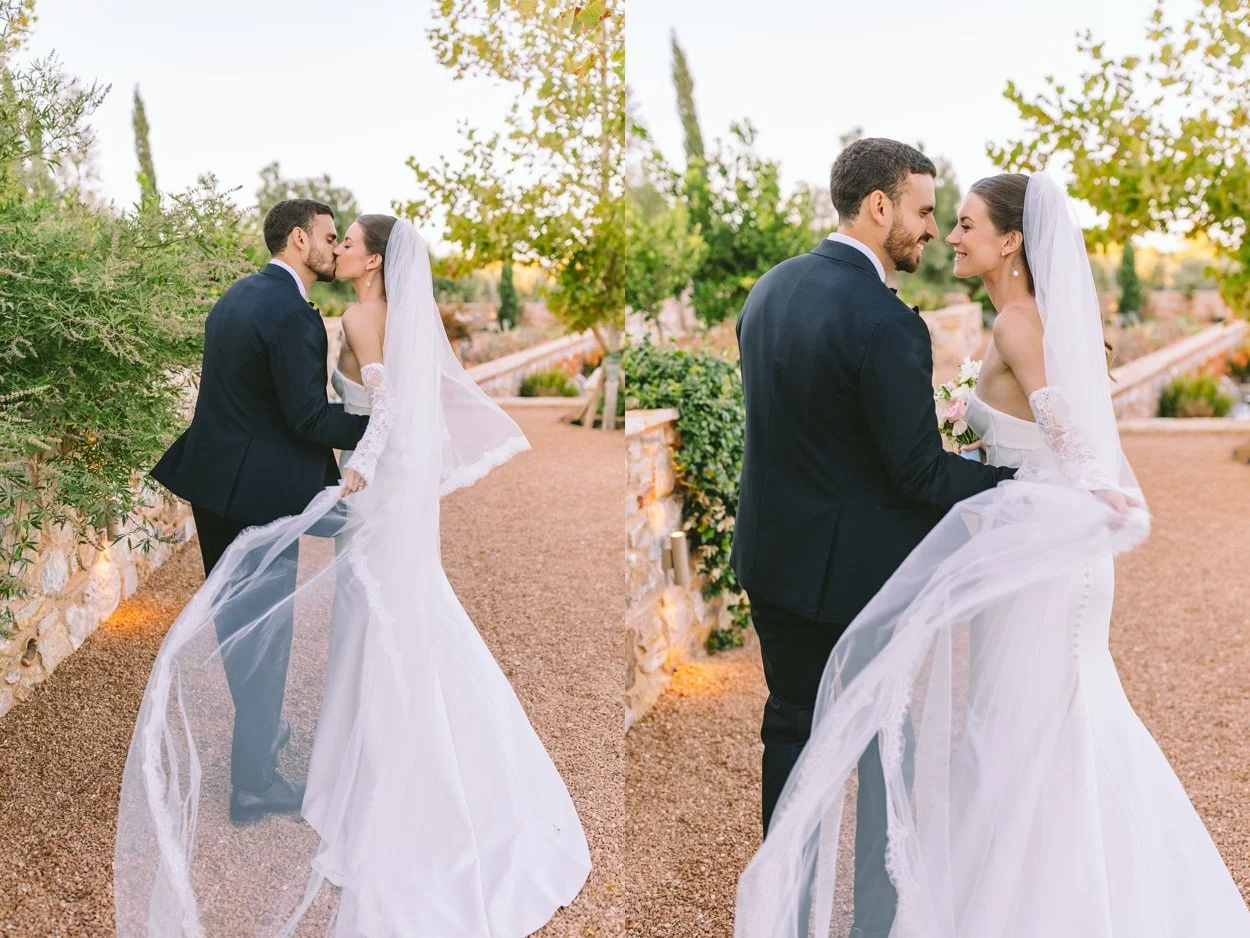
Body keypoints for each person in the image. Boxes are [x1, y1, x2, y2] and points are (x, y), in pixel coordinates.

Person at [734, 172, 1250, 938]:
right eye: (936, 214)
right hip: (1015, 541)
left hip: (993, 550)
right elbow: (959, 453)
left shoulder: (771, 290)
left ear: (1011, 239)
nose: (947, 234)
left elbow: (1060, 428)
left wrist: (1074, 491)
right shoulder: (968, 321)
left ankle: (998, 904)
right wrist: (1019, 480)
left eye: (966, 222)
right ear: (880, 205)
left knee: (1017, 718)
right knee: (1015, 721)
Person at [117, 217, 591, 937]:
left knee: (279, 616)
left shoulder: (247, 298)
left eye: (347, 239)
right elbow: (316, 416)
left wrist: (367, 460)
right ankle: (260, 772)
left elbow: (358, 410)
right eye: (329, 236)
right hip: (277, 481)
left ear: (371, 259)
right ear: (301, 238)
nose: (337, 246)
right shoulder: (322, 313)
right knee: (288, 622)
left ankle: (285, 759)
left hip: (227, 476)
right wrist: (371, 452)